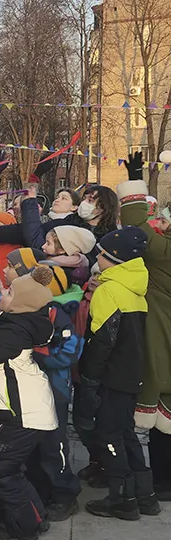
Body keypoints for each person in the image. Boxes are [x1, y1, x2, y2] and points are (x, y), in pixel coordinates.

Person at [74, 227, 162, 520]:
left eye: (101, 253)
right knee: (126, 432)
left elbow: (102, 340)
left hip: (112, 375)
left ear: (114, 258)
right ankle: (146, 495)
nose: (97, 257)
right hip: (132, 373)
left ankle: (121, 498)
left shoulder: (109, 290)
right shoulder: (135, 286)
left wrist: (88, 378)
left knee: (109, 434)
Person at [0, 267, 57, 540]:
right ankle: (33, 517)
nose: (2, 290)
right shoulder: (16, 320)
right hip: (20, 410)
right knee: (5, 467)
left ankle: (24, 527)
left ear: (20, 304)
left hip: (22, 413)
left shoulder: (15, 331)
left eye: (9, 291)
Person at [1, 252, 83, 521]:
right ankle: (40, 488)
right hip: (30, 391)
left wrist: (35, 354)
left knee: (53, 444)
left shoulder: (56, 315)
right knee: (33, 447)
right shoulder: (28, 312)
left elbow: (69, 352)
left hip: (54, 390)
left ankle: (64, 494)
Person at [117, 164, 171, 501]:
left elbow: (136, 224)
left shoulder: (164, 252)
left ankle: (163, 480)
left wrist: (134, 186)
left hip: (161, 338)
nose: (161, 223)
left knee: (163, 411)